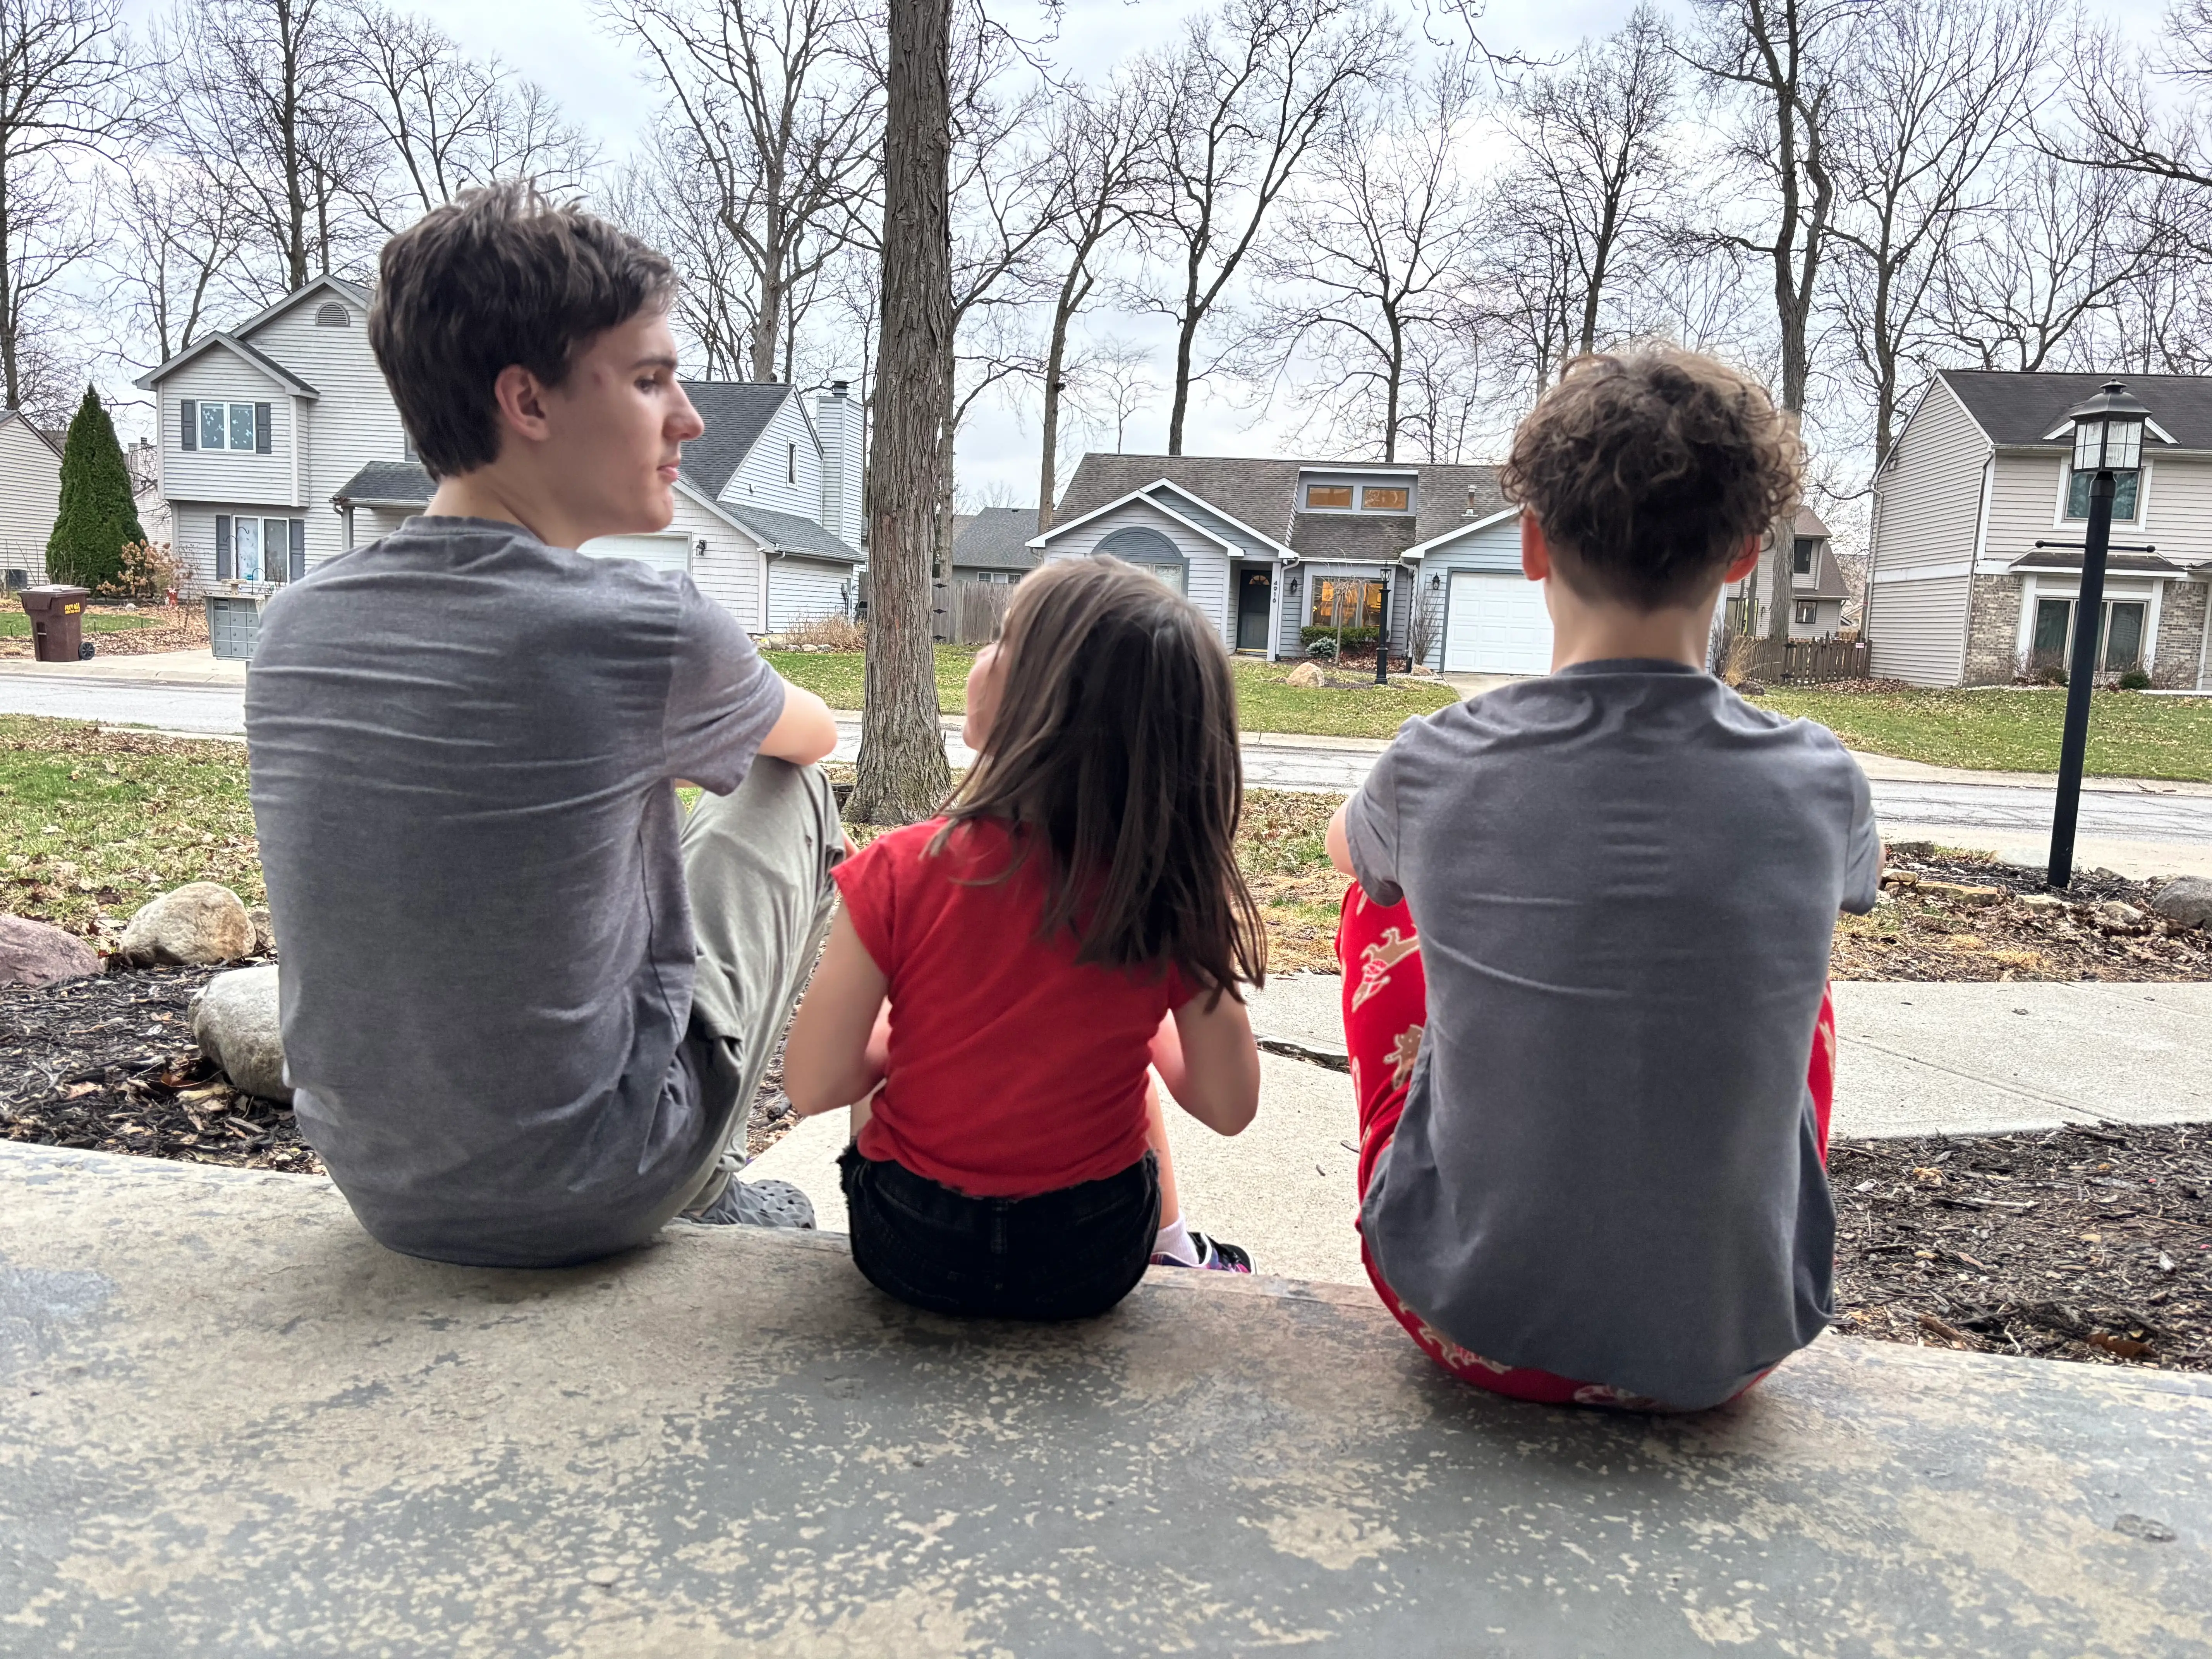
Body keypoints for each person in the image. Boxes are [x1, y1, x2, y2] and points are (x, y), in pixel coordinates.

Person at [246, 183, 845, 1268]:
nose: (690, 420)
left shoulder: (290, 626)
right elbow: (814, 736)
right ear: (528, 401)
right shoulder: (645, 626)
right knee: (784, 788)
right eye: (652, 378)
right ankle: (707, 1179)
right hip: (596, 1189)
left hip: (379, 1183)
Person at [1325, 346, 1879, 1412]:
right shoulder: (1822, 779)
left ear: (1532, 545)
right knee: (1794, 949)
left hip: (1472, 1323)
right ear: (1744, 552)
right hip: (1732, 1343)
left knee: (1378, 901)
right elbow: (1862, 877)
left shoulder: (1433, 761)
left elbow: (1352, 856)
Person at [782, 557, 1265, 1320]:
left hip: (909, 1248)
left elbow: (812, 1084)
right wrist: (1129, 1036)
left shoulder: (897, 871)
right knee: (1109, 1057)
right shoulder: (1166, 897)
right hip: (1094, 1258)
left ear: (1041, 703)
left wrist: (898, 1040)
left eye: (1002, 639)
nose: (978, 655)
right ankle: (1175, 1244)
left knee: (887, 1032)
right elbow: (1227, 1104)